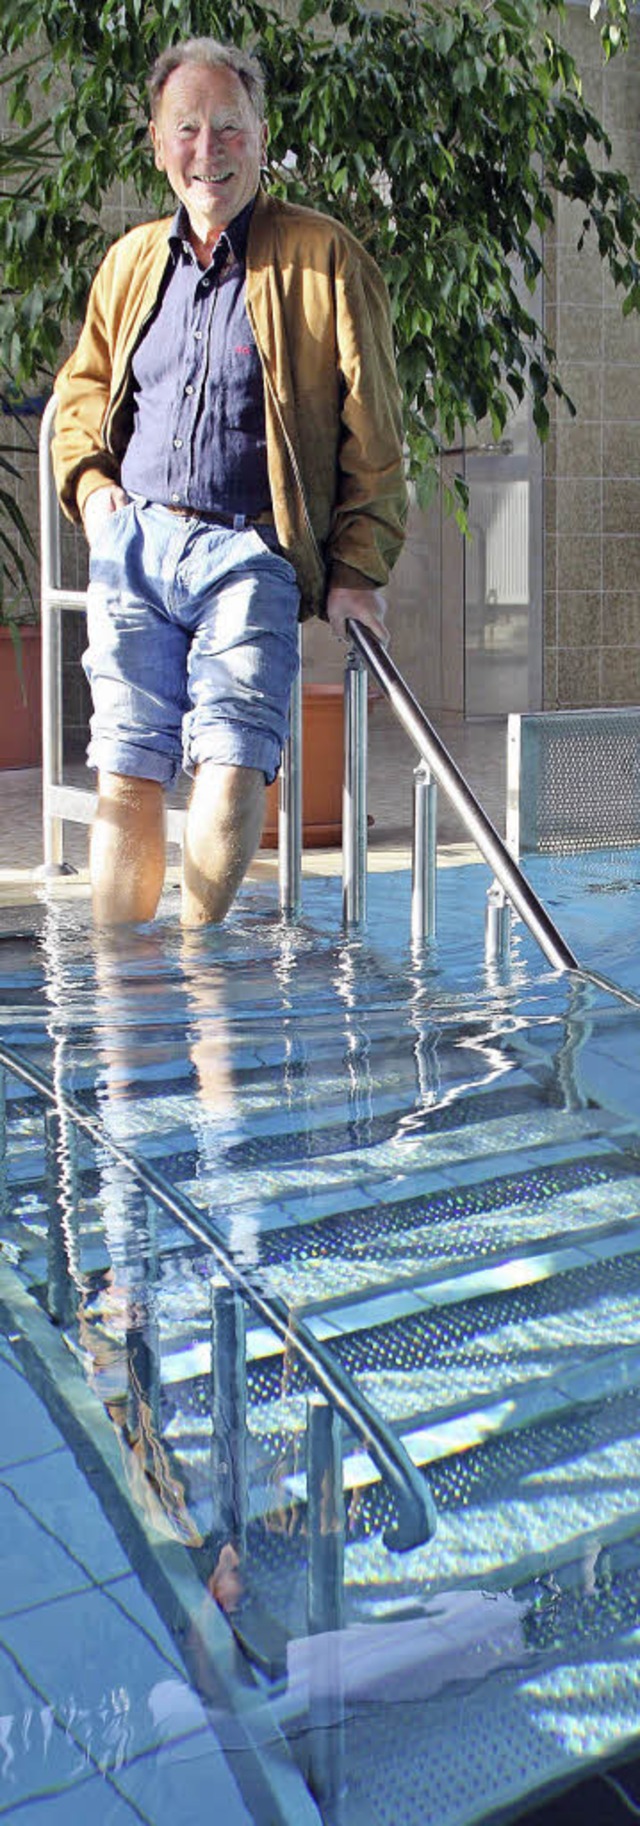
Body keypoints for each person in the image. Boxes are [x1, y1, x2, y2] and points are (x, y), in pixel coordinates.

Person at [52, 36, 408, 929]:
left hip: (251, 551)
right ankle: (124, 993)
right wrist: (95, 496)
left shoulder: (324, 257)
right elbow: (82, 391)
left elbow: (375, 427)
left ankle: (199, 966)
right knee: (126, 765)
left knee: (231, 760)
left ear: (259, 133)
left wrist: (356, 572)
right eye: (186, 128)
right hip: (137, 544)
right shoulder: (134, 261)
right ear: (156, 140)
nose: (206, 148)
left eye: (227, 127)